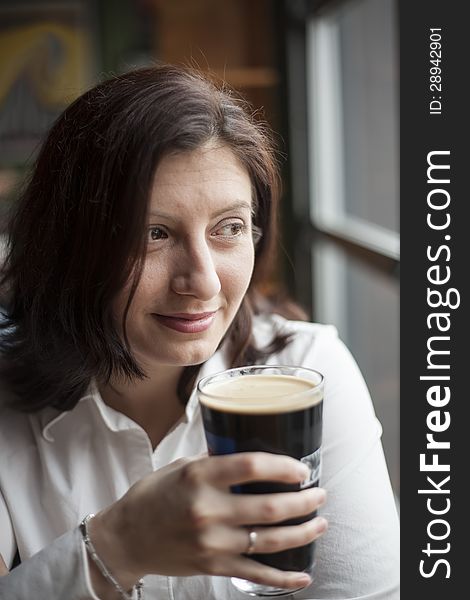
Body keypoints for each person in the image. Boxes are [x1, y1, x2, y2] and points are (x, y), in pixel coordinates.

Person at [0, 64, 399, 599]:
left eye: (229, 228)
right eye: (154, 234)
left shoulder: (311, 370)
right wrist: (119, 544)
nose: (203, 281)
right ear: (70, 245)